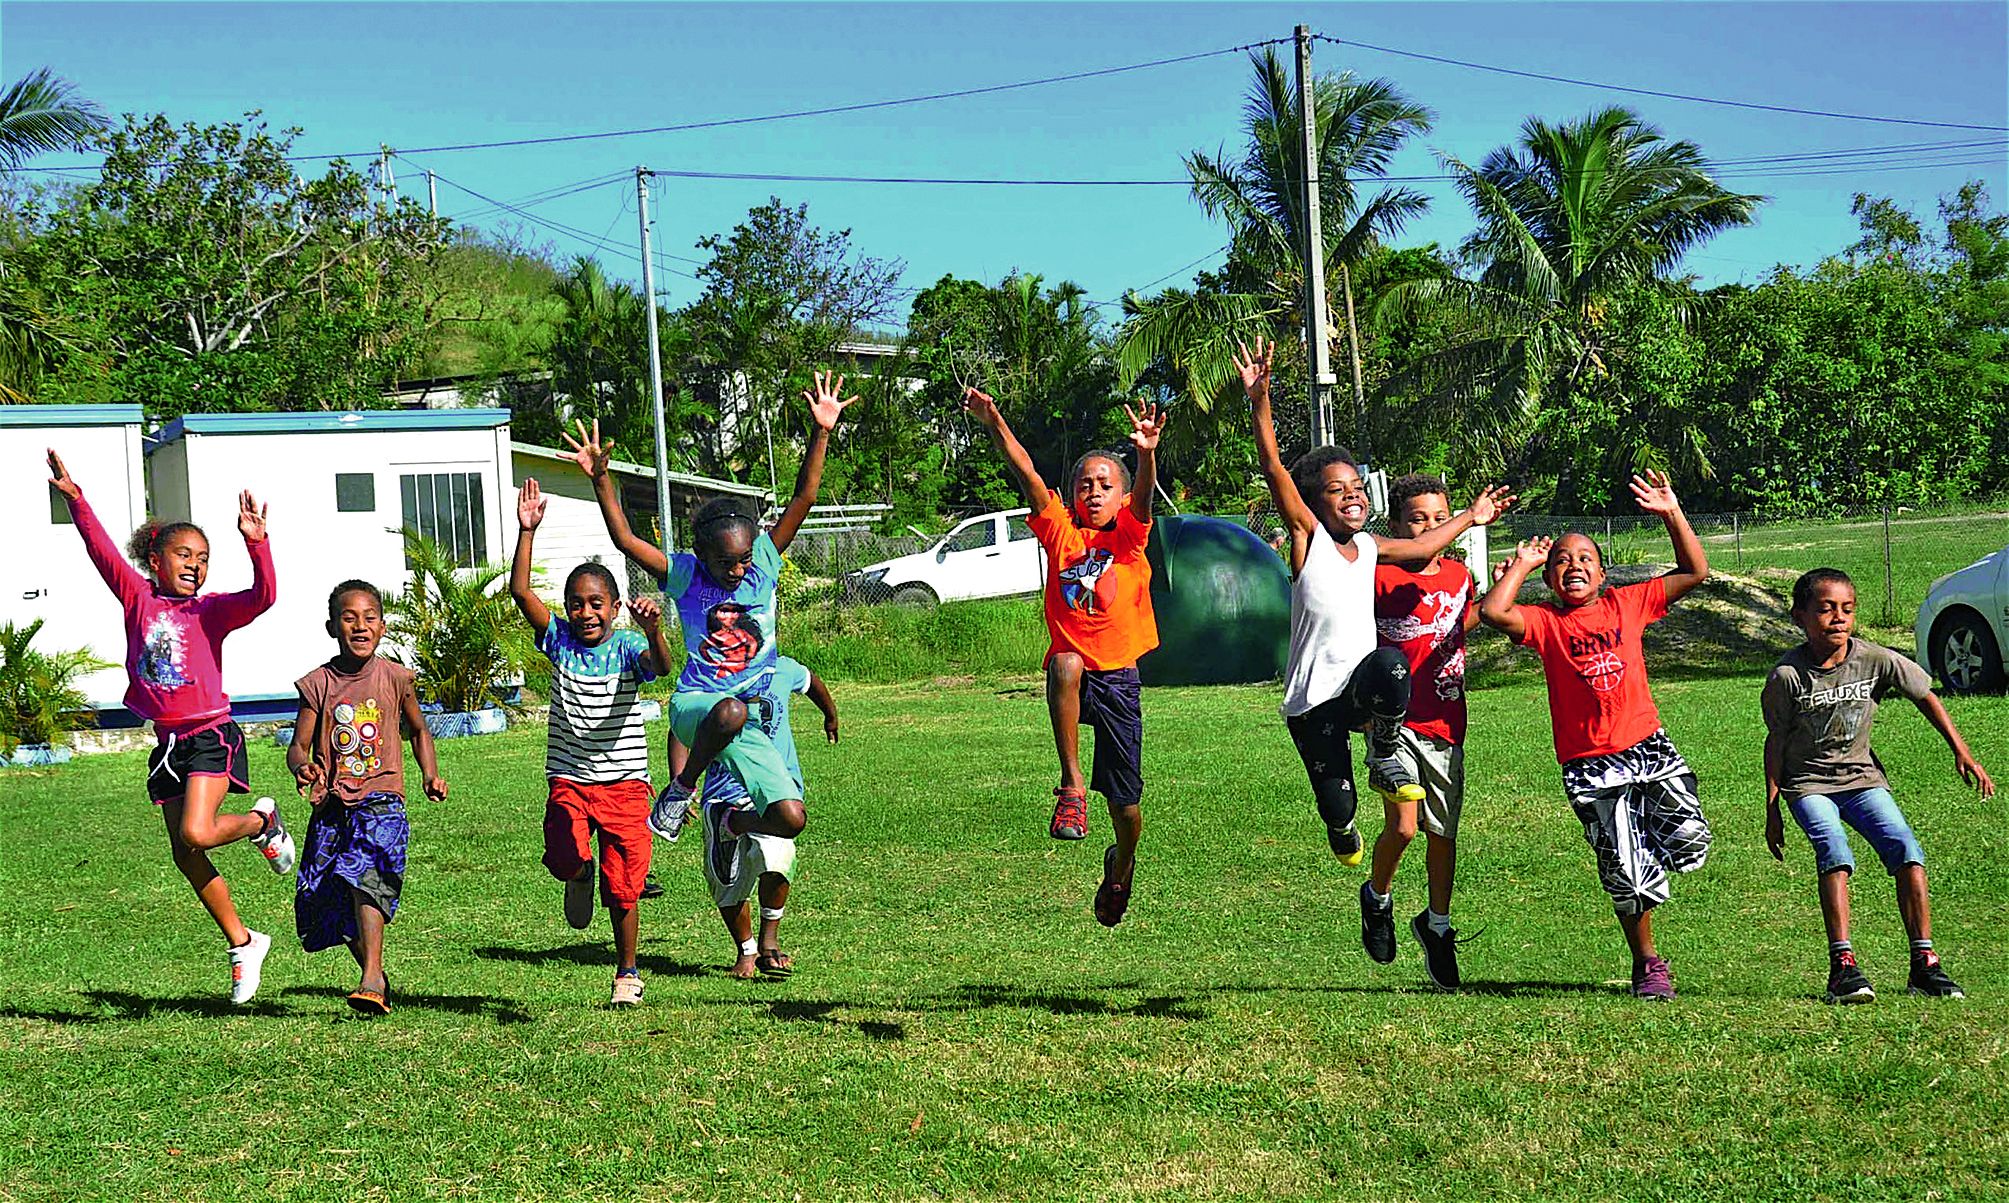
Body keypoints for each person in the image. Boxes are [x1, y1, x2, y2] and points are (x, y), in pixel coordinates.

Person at [1234, 339, 1513, 876]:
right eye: (1337, 490)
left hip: (1359, 693)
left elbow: (1425, 548)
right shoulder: (1308, 538)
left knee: (1391, 664)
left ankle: (1385, 749)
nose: (1352, 496)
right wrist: (1260, 400)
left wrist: (1472, 517)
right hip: (1312, 703)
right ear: (1314, 503)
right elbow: (1272, 466)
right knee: (1340, 809)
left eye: (1358, 487)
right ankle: (1340, 822)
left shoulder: (1371, 546)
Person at [559, 372, 852, 841]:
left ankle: (727, 824)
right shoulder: (686, 576)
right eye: (724, 562)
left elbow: (804, 496)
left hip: (747, 716)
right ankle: (680, 790)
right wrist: (600, 480)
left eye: (742, 560)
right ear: (700, 554)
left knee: (790, 819)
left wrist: (822, 430)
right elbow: (625, 539)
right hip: (697, 706)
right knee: (729, 710)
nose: (736, 571)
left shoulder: (763, 564)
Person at [46, 449, 290, 1005]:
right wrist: (77, 500)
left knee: (198, 833)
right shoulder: (137, 597)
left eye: (203, 558)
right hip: (167, 745)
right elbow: (101, 553)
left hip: (210, 734)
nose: (195, 565)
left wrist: (257, 542)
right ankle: (245, 942)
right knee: (186, 854)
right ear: (155, 559)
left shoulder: (211, 611)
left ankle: (261, 820)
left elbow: (265, 596)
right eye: (184, 554)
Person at [1479, 470, 1710, 1001]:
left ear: (1604, 574)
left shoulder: (1626, 604)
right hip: (1590, 764)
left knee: (1690, 842)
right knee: (1627, 874)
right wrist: (1520, 566)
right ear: (1550, 579)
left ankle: (1649, 855)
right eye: (1560, 560)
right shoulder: (1544, 622)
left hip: (1648, 746)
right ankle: (1648, 962)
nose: (1573, 565)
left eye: (1584, 558)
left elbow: (1695, 570)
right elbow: (1494, 611)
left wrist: (1671, 511)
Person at [963, 383, 1165, 927]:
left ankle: (1121, 866)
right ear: (1072, 494)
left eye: (1105, 485)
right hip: (1076, 677)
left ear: (1120, 498)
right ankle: (1072, 784)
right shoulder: (1060, 534)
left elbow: (1144, 500)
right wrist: (995, 422)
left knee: (1126, 807)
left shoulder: (1129, 537)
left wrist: (1145, 455)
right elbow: (1029, 475)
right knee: (1064, 661)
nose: (1094, 493)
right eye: (1084, 485)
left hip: (1120, 676)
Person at [1762, 567, 1995, 1003]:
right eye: (1826, 609)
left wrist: (1961, 751)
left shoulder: (1874, 659)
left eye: (1847, 609)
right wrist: (1772, 806)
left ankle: (1925, 965)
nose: (1838, 618)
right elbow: (1775, 741)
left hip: (1863, 779)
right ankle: (1843, 967)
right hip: (1809, 785)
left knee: (1907, 849)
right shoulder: (1787, 676)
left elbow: (1926, 694)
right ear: (1800, 617)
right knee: (1834, 849)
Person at [510, 479, 676, 1006]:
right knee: (562, 853)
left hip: (626, 784)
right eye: (577, 604)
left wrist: (654, 633)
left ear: (615, 608)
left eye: (597, 604)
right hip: (570, 778)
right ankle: (577, 872)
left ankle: (626, 972)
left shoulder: (629, 645)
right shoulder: (557, 639)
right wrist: (526, 530)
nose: (586, 613)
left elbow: (662, 667)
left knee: (625, 884)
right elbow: (520, 593)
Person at [287, 580, 448, 1015]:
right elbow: (298, 746)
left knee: (364, 875)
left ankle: (371, 977)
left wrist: (429, 774)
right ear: (331, 627)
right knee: (323, 896)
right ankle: (375, 973)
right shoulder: (317, 684)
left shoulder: (396, 677)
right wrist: (304, 766)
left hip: (383, 802)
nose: (360, 626)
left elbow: (418, 730)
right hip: (333, 807)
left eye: (370, 617)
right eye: (349, 617)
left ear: (383, 625)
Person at [1367, 473, 1485, 989]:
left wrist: (1508, 578)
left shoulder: (1460, 574)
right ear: (1396, 525)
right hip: (1393, 724)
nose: (1432, 527)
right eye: (1419, 519)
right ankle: (1378, 896)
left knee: (1443, 834)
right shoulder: (1374, 573)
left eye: (1440, 518)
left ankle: (1436, 926)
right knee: (1405, 827)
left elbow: (1457, 623)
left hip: (1447, 720)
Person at [688, 655, 838, 979]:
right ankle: (746, 949)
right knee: (727, 880)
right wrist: (682, 782)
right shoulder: (708, 677)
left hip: (774, 788)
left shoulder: (782, 668)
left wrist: (830, 714)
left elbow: (812, 682)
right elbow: (682, 728)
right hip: (722, 794)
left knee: (779, 856)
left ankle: (770, 942)